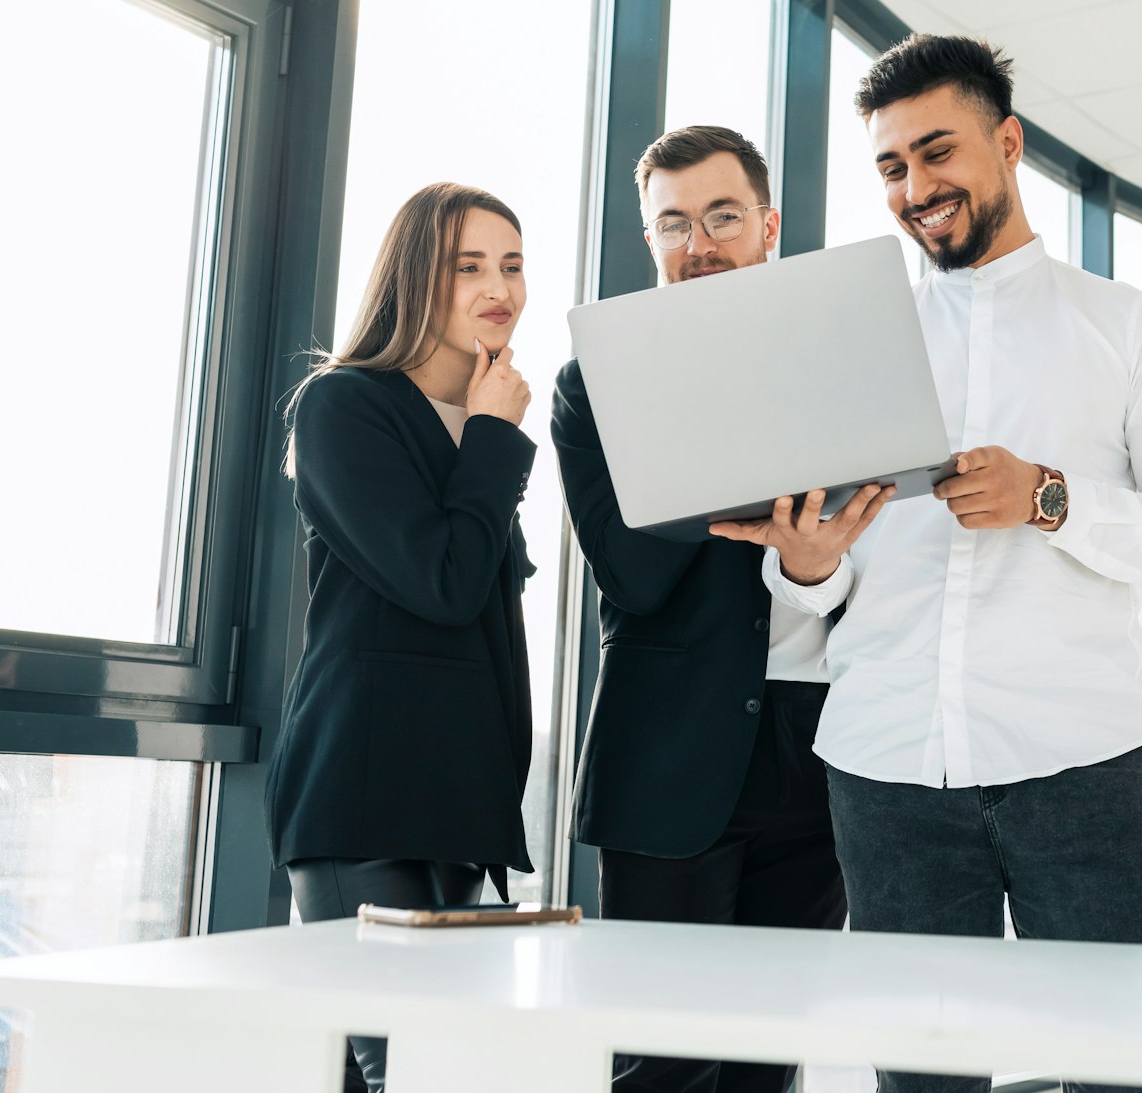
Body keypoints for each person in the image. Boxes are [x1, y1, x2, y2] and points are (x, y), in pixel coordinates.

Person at [731, 36, 1142, 1093]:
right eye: (889, 167)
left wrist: (1047, 498)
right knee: (921, 1086)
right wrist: (810, 567)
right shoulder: (842, 347)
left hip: (1082, 765)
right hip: (885, 775)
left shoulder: (1131, 328)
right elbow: (815, 590)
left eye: (936, 152)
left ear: (1005, 144)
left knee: (1141, 1076)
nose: (916, 188)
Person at [553, 125, 889, 1093]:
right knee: (662, 1053)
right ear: (649, 239)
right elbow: (630, 572)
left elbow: (880, 546)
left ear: (767, 226)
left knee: (766, 1051)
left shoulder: (839, 367)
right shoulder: (594, 383)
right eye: (672, 223)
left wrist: (800, 548)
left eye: (721, 215)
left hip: (820, 743)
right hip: (669, 748)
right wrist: (769, 481)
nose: (697, 242)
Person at [265, 182, 538, 1093]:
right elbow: (445, 582)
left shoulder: (477, 416)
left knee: (417, 1069)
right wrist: (495, 437)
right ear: (415, 276)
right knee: (418, 1072)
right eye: (468, 266)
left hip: (459, 803)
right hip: (365, 794)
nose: (497, 286)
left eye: (510, 263)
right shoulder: (343, 404)